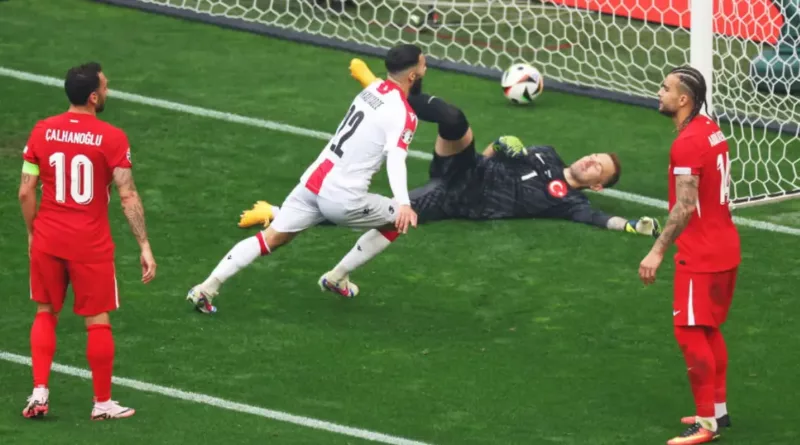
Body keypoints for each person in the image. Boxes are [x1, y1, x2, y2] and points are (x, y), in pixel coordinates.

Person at [238, 59, 662, 237]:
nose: (590, 161)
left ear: (599, 185)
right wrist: (498, 146)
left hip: (463, 198)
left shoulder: (570, 203)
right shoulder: (548, 153)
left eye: (598, 169)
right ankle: (385, 90)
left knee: (380, 213)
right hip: (469, 166)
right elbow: (497, 152)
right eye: (594, 156)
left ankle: (277, 214)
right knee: (455, 119)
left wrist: (631, 228)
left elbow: (600, 220)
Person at [186, 44, 426, 313]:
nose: (425, 67)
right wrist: (404, 203)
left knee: (271, 238)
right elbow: (395, 158)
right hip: (343, 196)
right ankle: (336, 277)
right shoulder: (405, 115)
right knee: (397, 220)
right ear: (413, 75)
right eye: (422, 64)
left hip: (314, 181)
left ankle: (206, 288)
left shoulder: (371, 90)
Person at [19, 62, 156, 420]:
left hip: (48, 238)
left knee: (46, 311)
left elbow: (25, 190)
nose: (108, 91)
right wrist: (143, 244)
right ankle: (102, 403)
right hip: (89, 245)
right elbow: (128, 195)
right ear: (93, 97)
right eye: (105, 87)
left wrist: (33, 232)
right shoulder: (112, 138)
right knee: (97, 320)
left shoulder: (42, 130)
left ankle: (38, 393)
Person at [638, 65, 740, 445]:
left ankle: (705, 426)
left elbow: (684, 206)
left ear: (684, 99)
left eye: (665, 88)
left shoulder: (687, 143)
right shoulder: (710, 129)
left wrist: (656, 251)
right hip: (725, 243)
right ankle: (718, 409)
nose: (659, 92)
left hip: (701, 253)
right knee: (708, 328)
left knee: (688, 332)